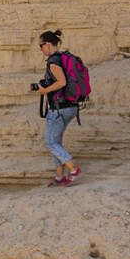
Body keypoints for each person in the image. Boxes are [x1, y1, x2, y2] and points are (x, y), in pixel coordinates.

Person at [30, 29, 82, 186]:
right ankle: (59, 177)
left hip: (59, 109)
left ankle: (73, 169)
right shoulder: (64, 58)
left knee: (50, 142)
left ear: (47, 44)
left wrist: (44, 90)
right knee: (56, 142)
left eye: (40, 46)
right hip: (71, 107)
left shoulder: (53, 61)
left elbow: (62, 82)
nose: (41, 50)